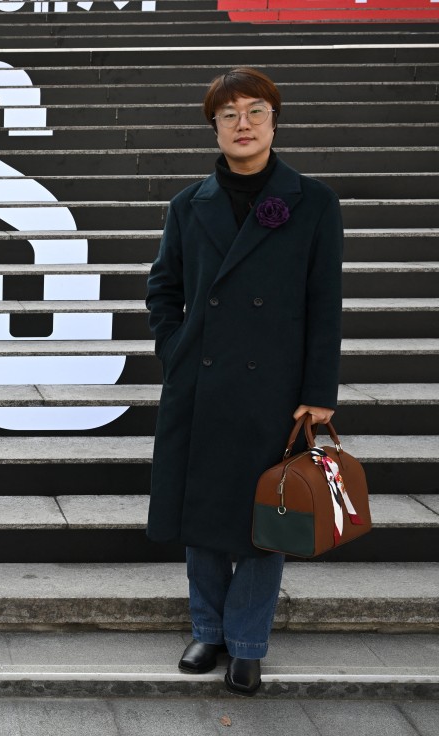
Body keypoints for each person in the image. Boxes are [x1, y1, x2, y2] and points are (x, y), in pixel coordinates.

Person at [145, 67, 343, 696]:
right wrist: (175, 350)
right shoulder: (188, 204)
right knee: (200, 512)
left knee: (267, 516)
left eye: (255, 111)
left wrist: (318, 391)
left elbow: (324, 303)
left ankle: (249, 644)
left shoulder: (314, 203)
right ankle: (208, 630)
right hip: (200, 384)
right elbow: (163, 288)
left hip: (276, 390)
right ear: (215, 128)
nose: (243, 125)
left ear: (274, 120)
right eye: (228, 115)